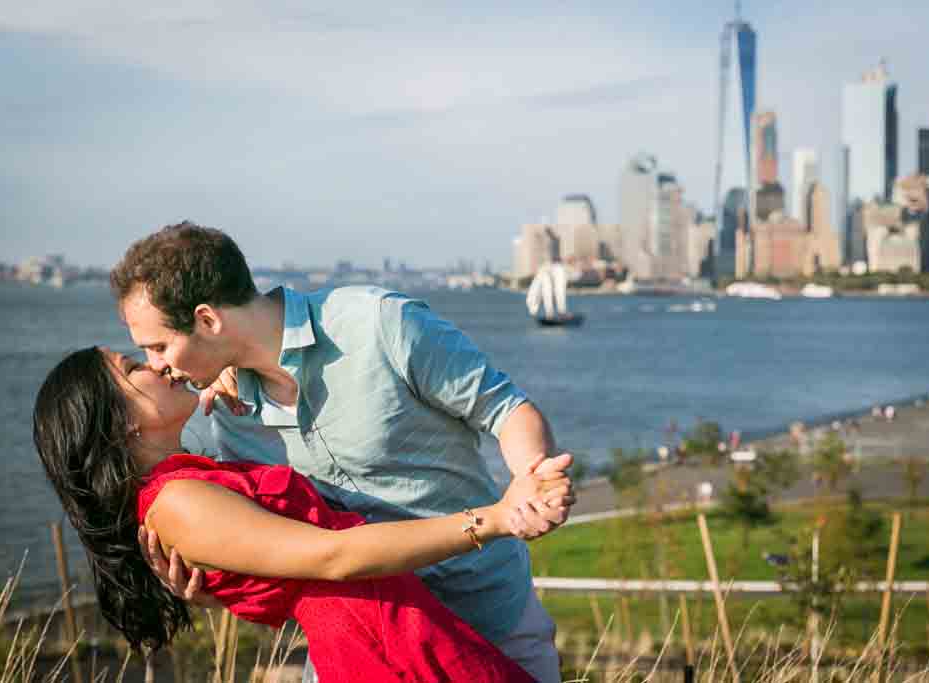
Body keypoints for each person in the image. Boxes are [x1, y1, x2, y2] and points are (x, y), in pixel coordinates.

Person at [111, 222, 573, 681]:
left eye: (158, 346)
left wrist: (530, 484)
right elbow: (296, 551)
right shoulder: (229, 413)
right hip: (362, 652)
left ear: (208, 320)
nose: (157, 366)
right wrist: (222, 581)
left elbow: (508, 410)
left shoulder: (379, 323)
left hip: (488, 617)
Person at [33, 347, 573, 682]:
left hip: (392, 623)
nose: (154, 363)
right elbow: (334, 556)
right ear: (120, 424)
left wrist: (238, 383)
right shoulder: (174, 502)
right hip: (377, 642)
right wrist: (494, 519)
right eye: (131, 368)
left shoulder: (188, 478)